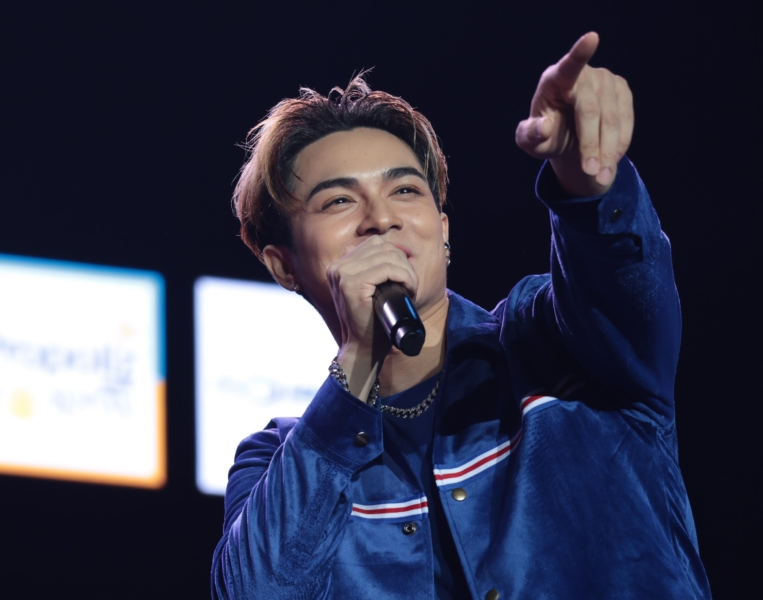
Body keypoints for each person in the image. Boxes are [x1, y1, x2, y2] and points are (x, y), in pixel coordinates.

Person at [211, 32, 711, 599]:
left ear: (443, 232)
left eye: (405, 191)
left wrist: (590, 182)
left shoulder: (553, 340)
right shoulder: (275, 462)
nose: (381, 219)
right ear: (284, 266)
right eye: (339, 201)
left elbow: (627, 289)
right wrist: (358, 361)